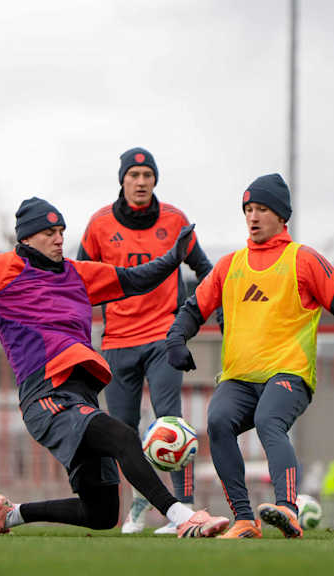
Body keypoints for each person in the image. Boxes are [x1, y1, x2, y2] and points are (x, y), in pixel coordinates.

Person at [0, 197, 229, 538]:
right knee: (124, 436)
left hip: (82, 398)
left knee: (103, 512)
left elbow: (137, 279)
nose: (59, 238)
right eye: (49, 232)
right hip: (46, 396)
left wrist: (174, 256)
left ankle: (12, 514)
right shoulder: (0, 270)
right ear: (26, 238)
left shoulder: (77, 273)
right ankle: (183, 517)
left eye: (61, 231)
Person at [165, 174, 334, 539]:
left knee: (267, 420)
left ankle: (288, 509)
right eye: (248, 210)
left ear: (281, 216)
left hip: (289, 375)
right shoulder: (230, 266)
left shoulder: (303, 261)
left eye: (261, 209)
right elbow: (193, 309)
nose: (253, 217)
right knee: (219, 421)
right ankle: (244, 520)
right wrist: (176, 340)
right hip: (239, 377)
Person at [78, 147, 214, 534]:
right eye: (133, 175)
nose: (140, 182)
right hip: (118, 341)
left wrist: (198, 319)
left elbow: (204, 270)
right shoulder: (99, 225)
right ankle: (139, 505)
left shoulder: (175, 220)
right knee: (122, 431)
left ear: (156, 180)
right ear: (122, 180)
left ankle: (184, 510)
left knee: (172, 423)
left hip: (162, 337)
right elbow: (79, 283)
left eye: (147, 175)